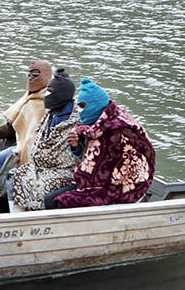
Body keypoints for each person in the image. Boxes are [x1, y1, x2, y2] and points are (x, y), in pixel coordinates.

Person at [52, 78, 156, 209]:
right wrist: (76, 147)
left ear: (95, 105)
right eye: (79, 106)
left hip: (124, 187)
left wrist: (79, 184)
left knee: (61, 202)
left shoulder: (119, 132)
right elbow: (88, 159)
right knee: (49, 199)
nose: (80, 111)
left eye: (83, 106)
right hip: (98, 182)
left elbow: (103, 173)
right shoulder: (93, 127)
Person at [11, 68, 79, 211]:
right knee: (16, 174)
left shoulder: (76, 120)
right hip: (40, 166)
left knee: (40, 187)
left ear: (62, 95)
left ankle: (38, 221)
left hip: (63, 170)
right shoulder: (51, 114)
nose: (46, 95)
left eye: (50, 92)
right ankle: (18, 215)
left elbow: (75, 153)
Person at [0, 60, 53, 196]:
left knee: (10, 167)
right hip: (22, 144)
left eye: (35, 74)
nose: (31, 77)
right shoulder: (28, 98)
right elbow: (13, 126)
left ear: (45, 75)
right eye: (29, 74)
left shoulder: (50, 99)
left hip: (38, 149)